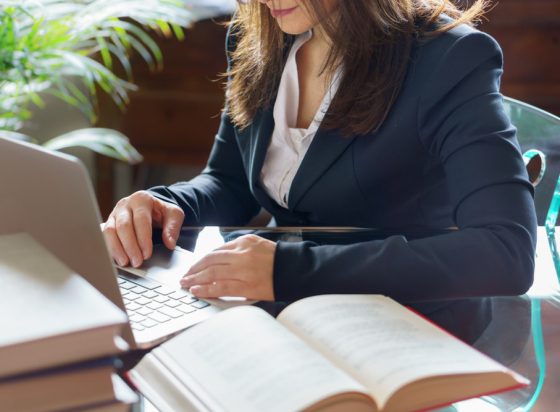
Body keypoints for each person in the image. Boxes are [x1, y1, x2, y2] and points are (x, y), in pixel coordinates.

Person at [102, 0, 537, 328]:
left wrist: (288, 270)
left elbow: (506, 252)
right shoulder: (256, 36)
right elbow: (229, 181)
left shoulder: (449, 58)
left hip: (409, 327)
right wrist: (166, 205)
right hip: (285, 315)